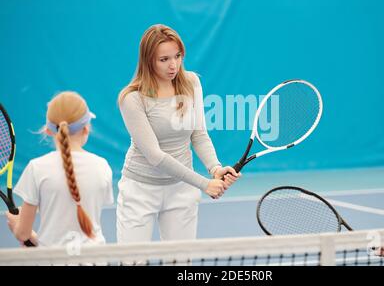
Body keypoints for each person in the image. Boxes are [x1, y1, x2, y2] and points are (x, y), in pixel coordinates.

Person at [117, 24, 241, 244]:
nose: (173, 65)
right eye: (163, 59)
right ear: (148, 61)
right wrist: (204, 184)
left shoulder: (191, 82)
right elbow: (154, 155)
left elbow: (199, 134)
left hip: (182, 190)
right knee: (132, 261)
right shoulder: (132, 98)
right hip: (140, 190)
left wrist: (215, 168)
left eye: (177, 56)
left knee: (181, 262)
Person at [6, 91, 113, 247]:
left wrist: (17, 225)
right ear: (86, 128)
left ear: (48, 130)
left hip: (52, 260)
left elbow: (23, 234)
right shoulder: (102, 166)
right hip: (96, 260)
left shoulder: (36, 168)